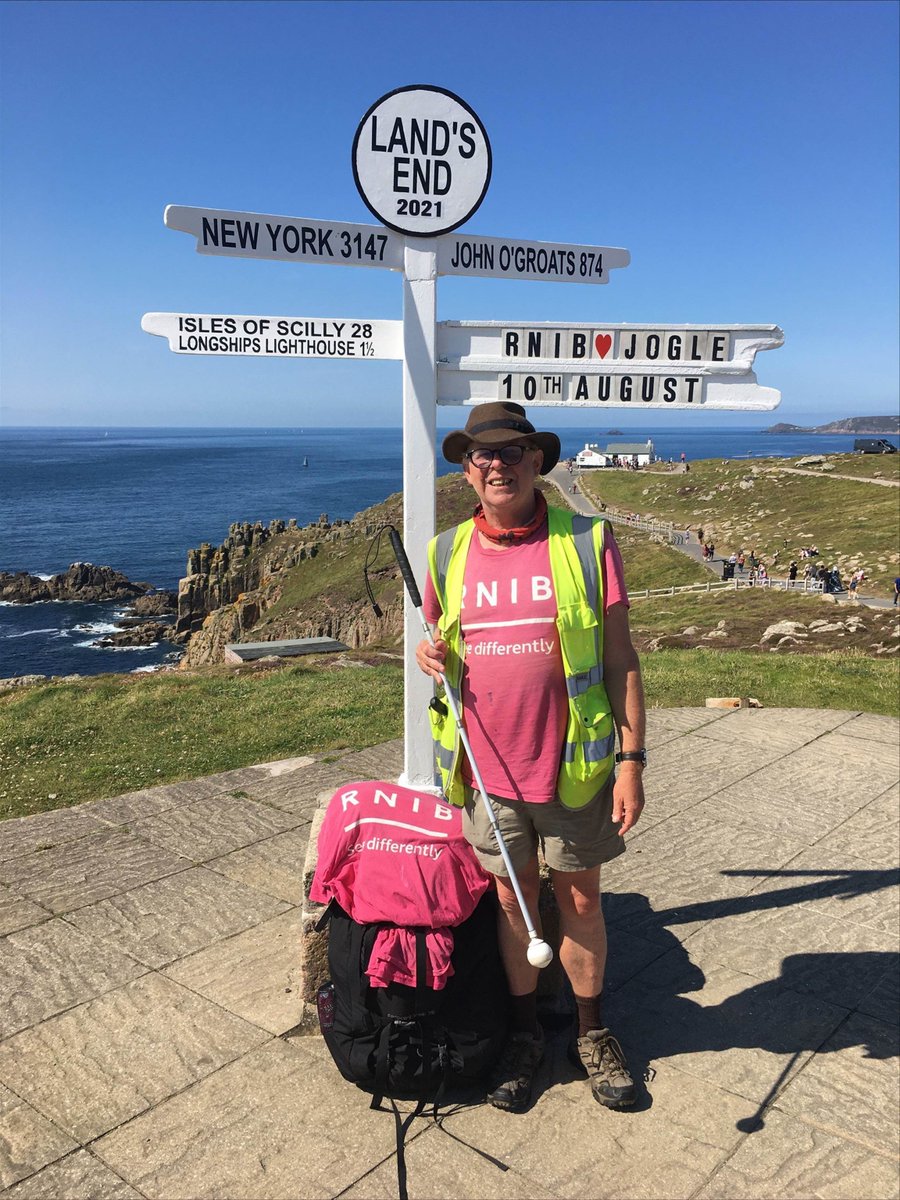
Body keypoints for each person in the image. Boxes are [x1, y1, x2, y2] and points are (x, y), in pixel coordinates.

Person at [416, 401, 646, 1114]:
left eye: (513, 451)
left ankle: (591, 1032)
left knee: (580, 902)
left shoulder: (586, 542)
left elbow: (620, 659)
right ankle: (522, 1037)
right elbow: (441, 645)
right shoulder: (443, 553)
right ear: (466, 469)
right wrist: (429, 655)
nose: (498, 464)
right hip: (486, 775)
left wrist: (632, 759)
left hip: (573, 770)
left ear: (537, 461)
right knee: (513, 906)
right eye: (482, 454)